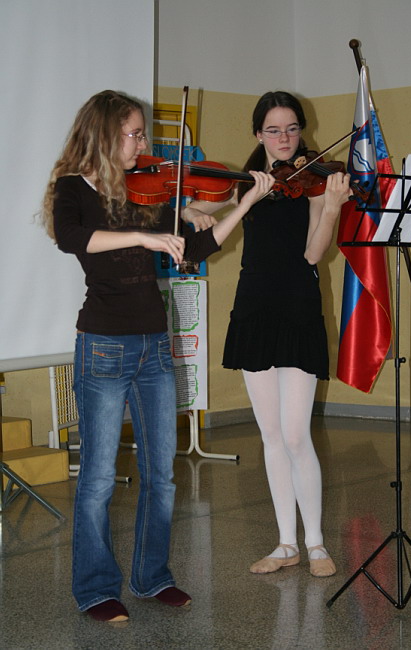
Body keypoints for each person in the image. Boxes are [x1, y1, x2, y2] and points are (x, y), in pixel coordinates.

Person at [41, 89, 274, 622]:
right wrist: (143, 241)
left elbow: (195, 246)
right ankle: (95, 589)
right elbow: (71, 237)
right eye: (134, 133)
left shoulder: (144, 191)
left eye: (141, 133)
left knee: (161, 475)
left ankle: (152, 578)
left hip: (153, 346)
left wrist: (242, 205)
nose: (143, 143)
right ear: (105, 135)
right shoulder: (73, 187)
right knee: (99, 479)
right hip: (102, 344)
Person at [184, 91, 352, 578]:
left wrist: (333, 206)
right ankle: (285, 544)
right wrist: (193, 212)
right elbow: (188, 210)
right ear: (258, 133)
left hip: (297, 307)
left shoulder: (314, 182)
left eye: (292, 128)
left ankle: (315, 543)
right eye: (274, 130)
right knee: (272, 435)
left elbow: (313, 254)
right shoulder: (245, 183)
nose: (285, 138)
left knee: (297, 435)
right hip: (254, 308)